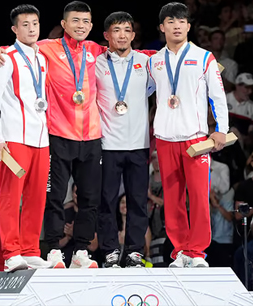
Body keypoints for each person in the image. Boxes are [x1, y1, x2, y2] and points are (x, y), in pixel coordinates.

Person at [0, 1, 108, 269]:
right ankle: (51, 249)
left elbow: (130, 53)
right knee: (53, 196)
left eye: (86, 22)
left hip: (88, 136)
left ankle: (79, 252)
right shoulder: (46, 48)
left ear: (91, 25)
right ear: (64, 24)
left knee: (87, 198)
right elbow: (12, 51)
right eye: (75, 21)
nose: (81, 26)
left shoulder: (96, 50)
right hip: (56, 133)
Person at [148, 2, 229, 268]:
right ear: (162, 27)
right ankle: (180, 251)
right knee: (172, 200)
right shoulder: (154, 62)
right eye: (171, 22)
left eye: (182, 22)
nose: (177, 26)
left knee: (198, 197)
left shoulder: (205, 57)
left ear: (189, 27)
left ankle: (197, 252)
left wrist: (221, 130)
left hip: (196, 139)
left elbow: (218, 96)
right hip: (165, 139)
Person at [0, 4, 57, 272]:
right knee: (11, 196)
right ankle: (11, 253)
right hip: (14, 138)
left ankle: (29, 250)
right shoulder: (5, 57)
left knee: (37, 197)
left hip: (41, 139)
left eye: (35, 24)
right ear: (15, 29)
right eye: (25, 25)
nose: (31, 29)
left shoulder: (43, 56)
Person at [95, 11, 155, 268]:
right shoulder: (96, 63)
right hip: (107, 144)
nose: (122, 35)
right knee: (106, 201)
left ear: (133, 34)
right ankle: (109, 251)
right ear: (107, 35)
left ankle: (133, 252)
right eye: (116, 30)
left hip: (139, 145)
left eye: (126, 30)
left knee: (138, 201)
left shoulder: (146, 63)